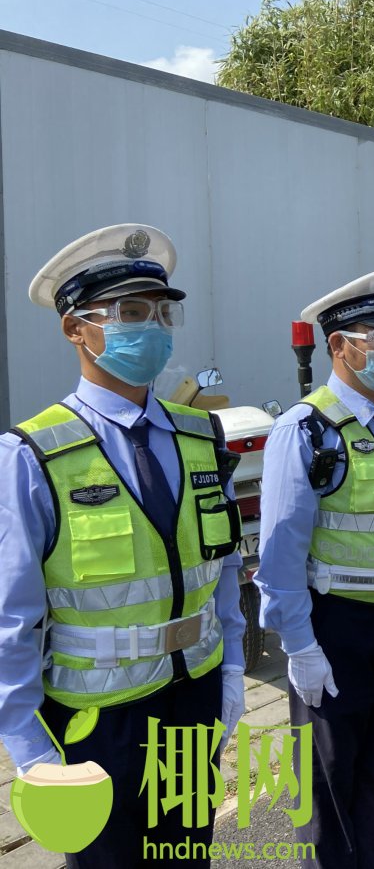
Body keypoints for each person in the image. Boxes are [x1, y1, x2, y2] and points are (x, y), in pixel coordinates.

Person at [0, 224, 246, 868]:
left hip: (192, 699)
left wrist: (235, 671)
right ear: (75, 329)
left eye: (163, 312)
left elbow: (220, 566)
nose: (155, 328)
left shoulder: (199, 436)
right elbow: (10, 618)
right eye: (132, 312)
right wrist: (26, 747)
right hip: (94, 723)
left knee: (188, 855)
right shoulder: (33, 455)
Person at [255, 270, 374, 869]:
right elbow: (280, 551)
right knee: (328, 775)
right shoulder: (304, 430)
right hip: (338, 626)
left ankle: (373, 856)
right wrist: (298, 644)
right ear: (340, 346)